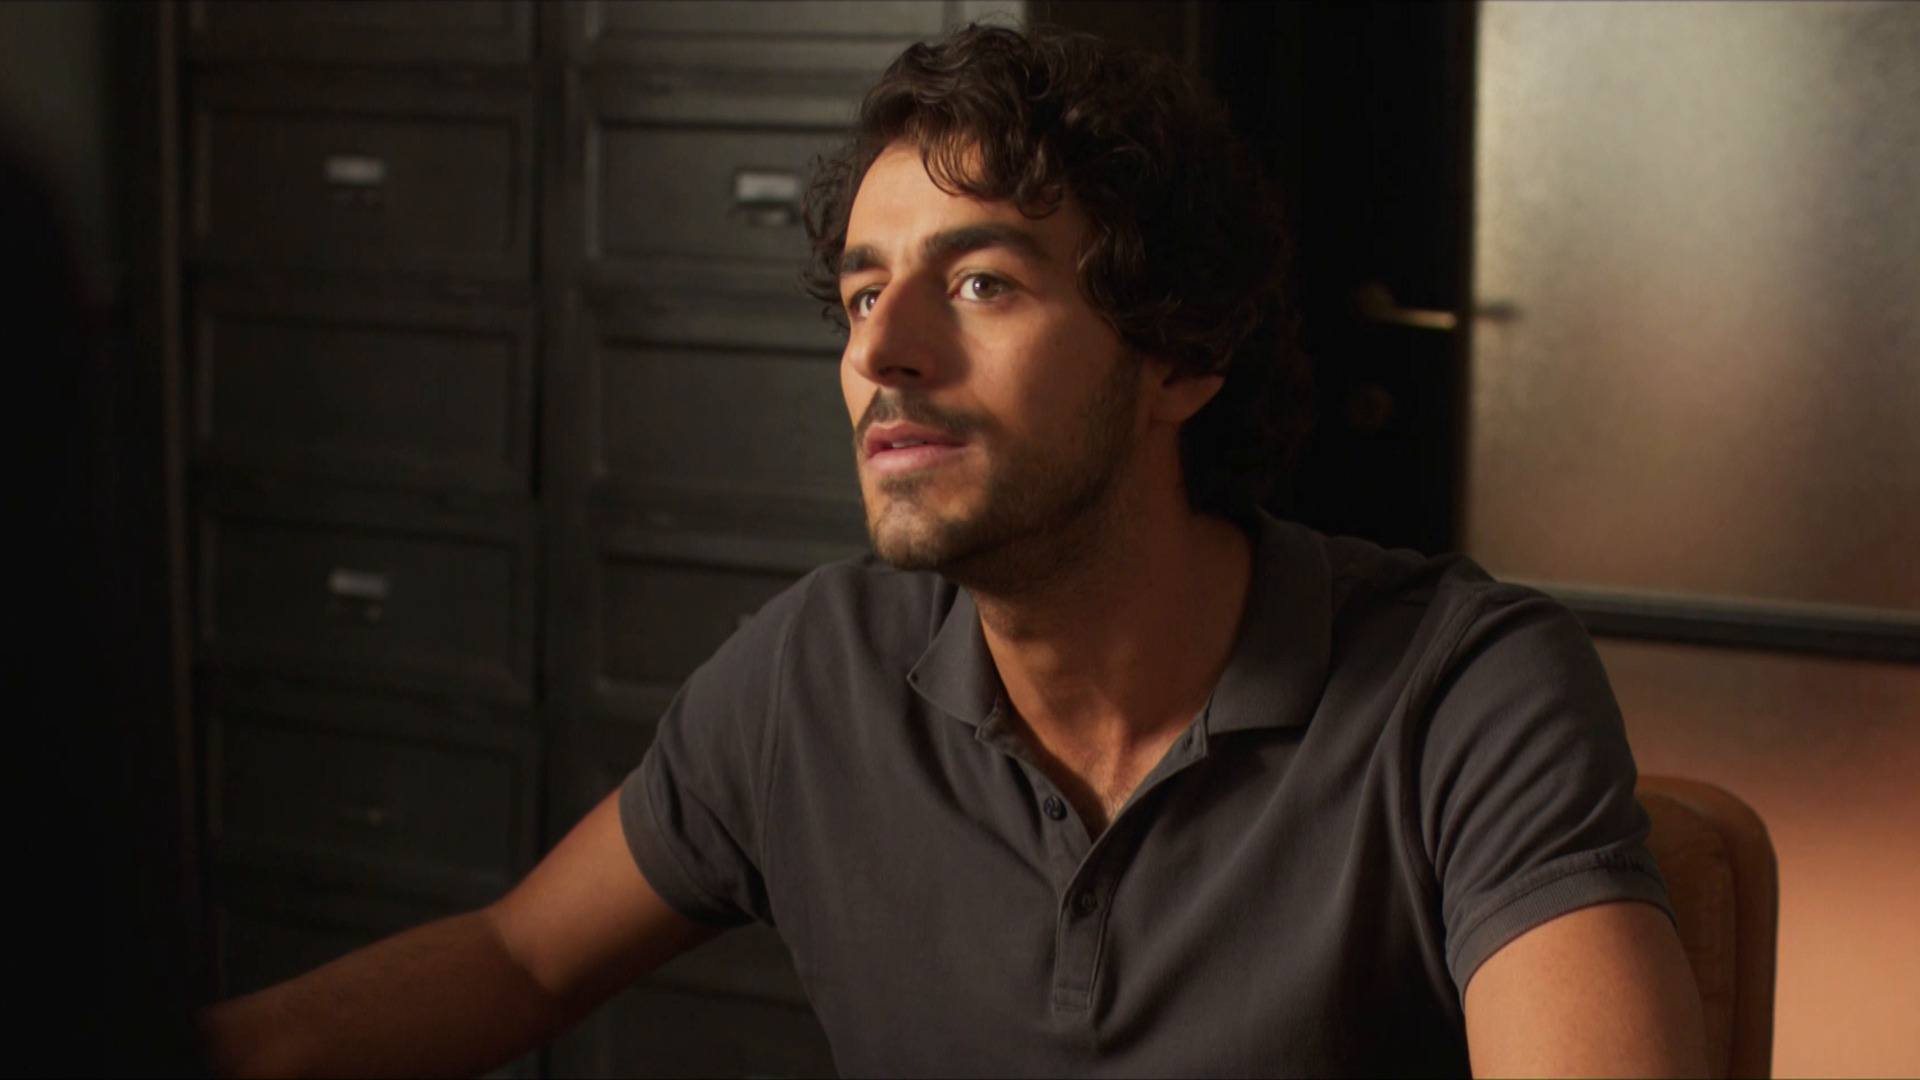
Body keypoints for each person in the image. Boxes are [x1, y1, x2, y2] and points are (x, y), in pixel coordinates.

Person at [199, 25, 1708, 1077]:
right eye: (863, 296)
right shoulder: (813, 671)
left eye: (981, 282)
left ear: (1180, 356)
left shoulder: (1464, 689)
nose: (884, 352)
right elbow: (518, 963)